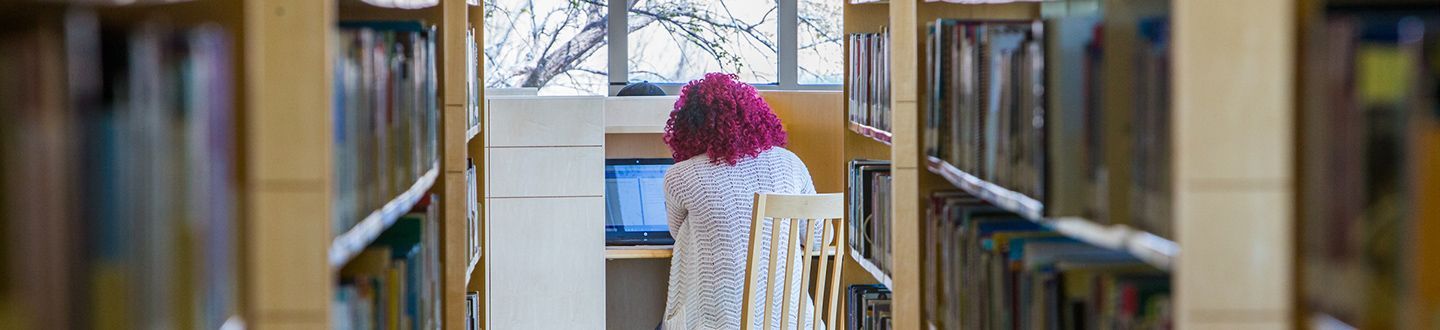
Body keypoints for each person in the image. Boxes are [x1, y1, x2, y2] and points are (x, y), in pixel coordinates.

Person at [660, 73, 818, 329]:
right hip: (792, 322)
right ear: (754, 116)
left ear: (688, 128)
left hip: (716, 322)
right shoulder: (790, 163)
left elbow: (678, 233)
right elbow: (817, 237)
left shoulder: (680, 176)